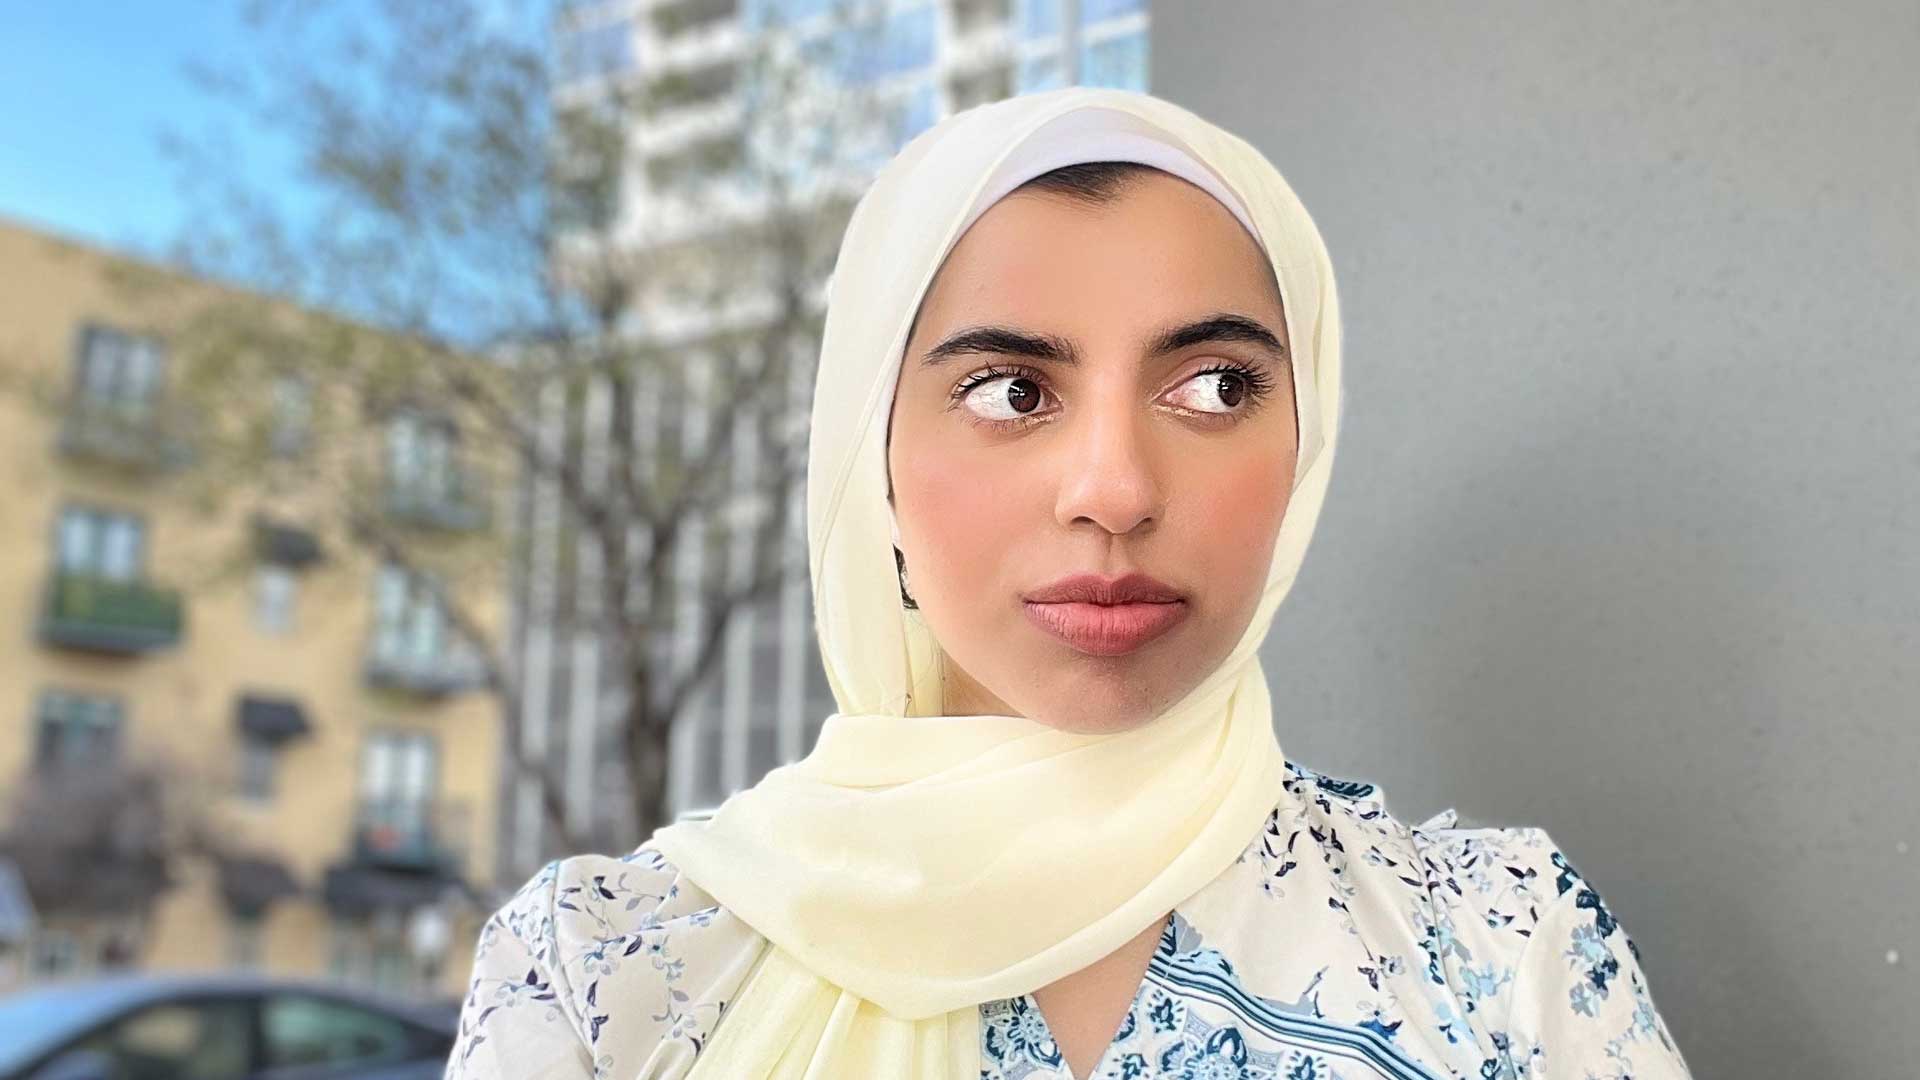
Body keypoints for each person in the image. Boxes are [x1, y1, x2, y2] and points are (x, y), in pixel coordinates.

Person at [444, 86, 1693, 1080]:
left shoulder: (1502, 942)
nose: (1114, 489)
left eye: (1215, 387)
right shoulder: (603, 974)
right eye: (1011, 391)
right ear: (872, 462)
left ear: (1305, 445)